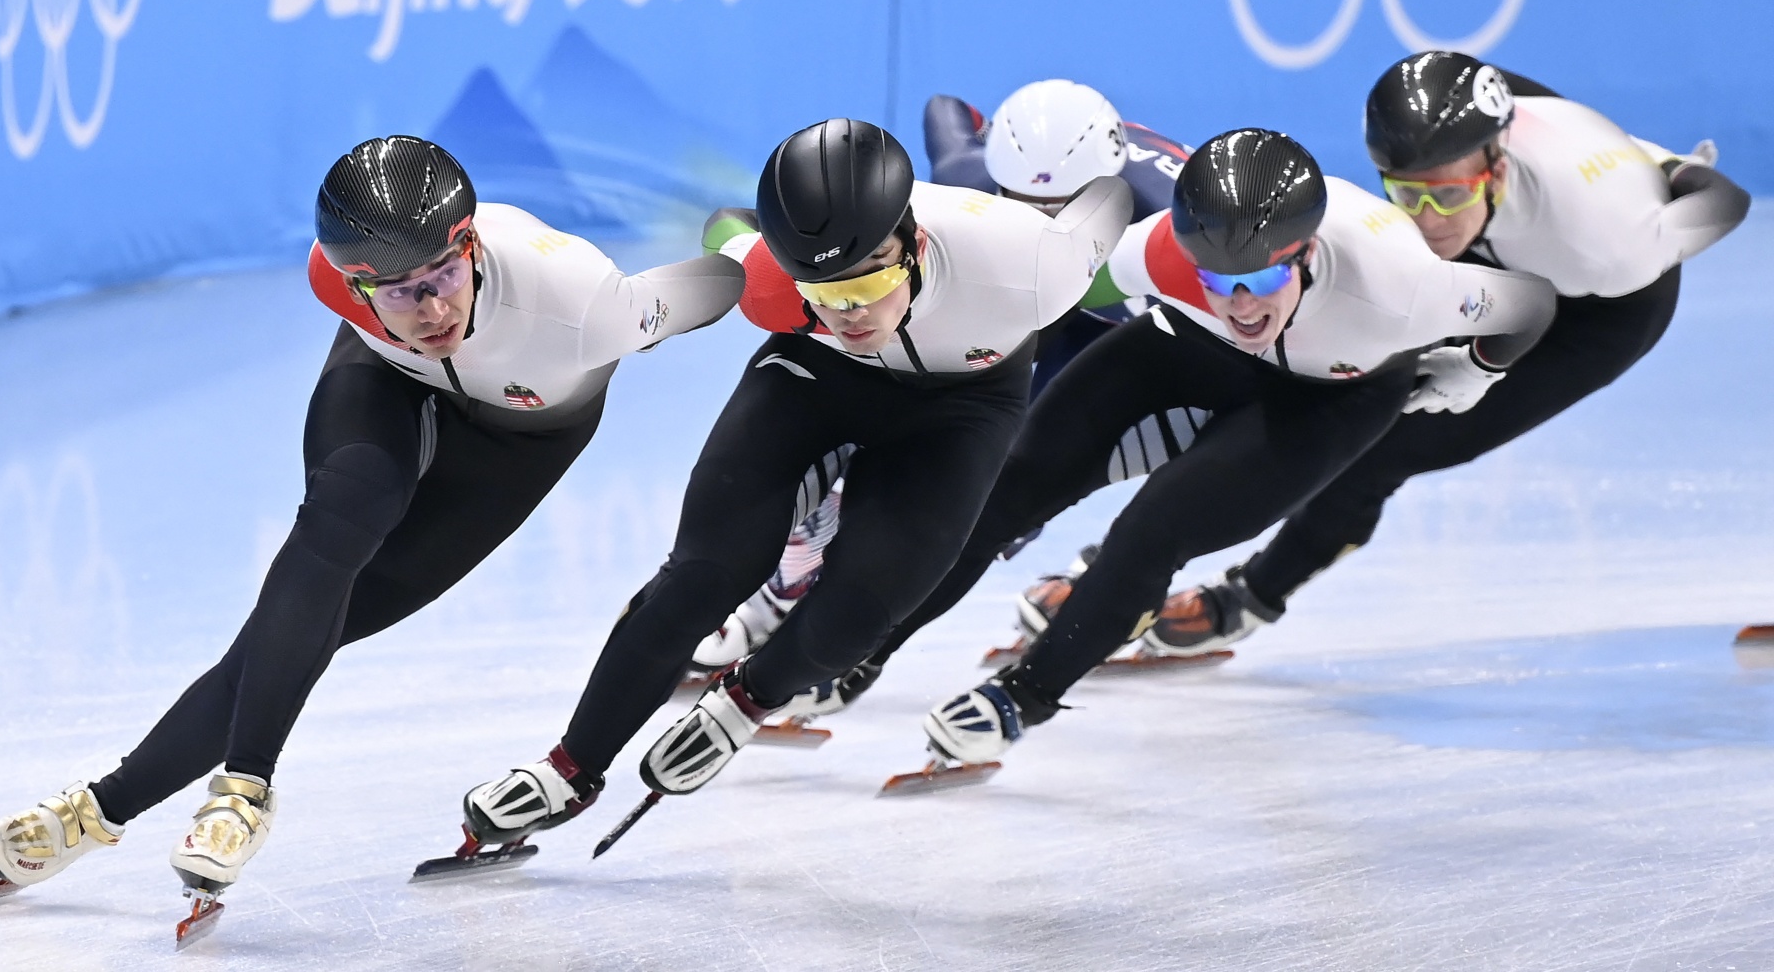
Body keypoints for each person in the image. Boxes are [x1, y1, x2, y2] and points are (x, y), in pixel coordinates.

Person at [0, 137, 744, 915]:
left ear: (468, 246)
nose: (431, 308)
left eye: (441, 276)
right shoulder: (334, 282)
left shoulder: (581, 302)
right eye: (397, 292)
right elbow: (401, 324)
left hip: (519, 439)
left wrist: (750, 249)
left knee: (308, 633)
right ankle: (241, 791)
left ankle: (101, 807)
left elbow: (711, 285)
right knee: (341, 516)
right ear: (353, 283)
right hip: (386, 383)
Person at [456, 118, 1132, 846]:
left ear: (916, 246)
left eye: (870, 282)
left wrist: (743, 707)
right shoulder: (777, 287)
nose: (851, 313)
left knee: (861, 613)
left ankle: (746, 699)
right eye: (824, 291)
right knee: (699, 577)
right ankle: (569, 769)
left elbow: (1111, 199)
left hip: (963, 408)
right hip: (818, 379)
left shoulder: (1030, 264)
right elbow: (727, 228)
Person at [887, 128, 1559, 770]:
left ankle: (1020, 700)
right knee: (1013, 482)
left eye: (1262, 282)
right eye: (1218, 278)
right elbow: (1046, 290)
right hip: (1208, 353)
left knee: (1151, 533)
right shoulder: (1164, 252)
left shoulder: (1402, 288)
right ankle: (856, 648)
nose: (1241, 303)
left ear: (1306, 255)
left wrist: (1479, 368)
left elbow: (1530, 302)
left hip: (1336, 394)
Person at [1144, 52, 1751, 658]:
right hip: (1497, 247)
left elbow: (1726, 200)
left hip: (1599, 312)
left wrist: (1669, 175)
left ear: (1497, 168)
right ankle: (1139, 549)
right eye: (1407, 194)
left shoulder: (1612, 242)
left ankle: (1247, 598)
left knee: (1383, 445)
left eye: (1449, 195)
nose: (1427, 221)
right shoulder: (1461, 119)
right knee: (1314, 358)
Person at [688, 80, 1196, 682]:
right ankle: (787, 584)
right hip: (1026, 306)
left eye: (1060, 212)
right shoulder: (966, 178)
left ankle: (1083, 568)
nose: (1040, 228)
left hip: (1111, 322)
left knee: (1021, 473)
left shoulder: (1175, 227)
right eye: (1023, 205)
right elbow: (944, 111)